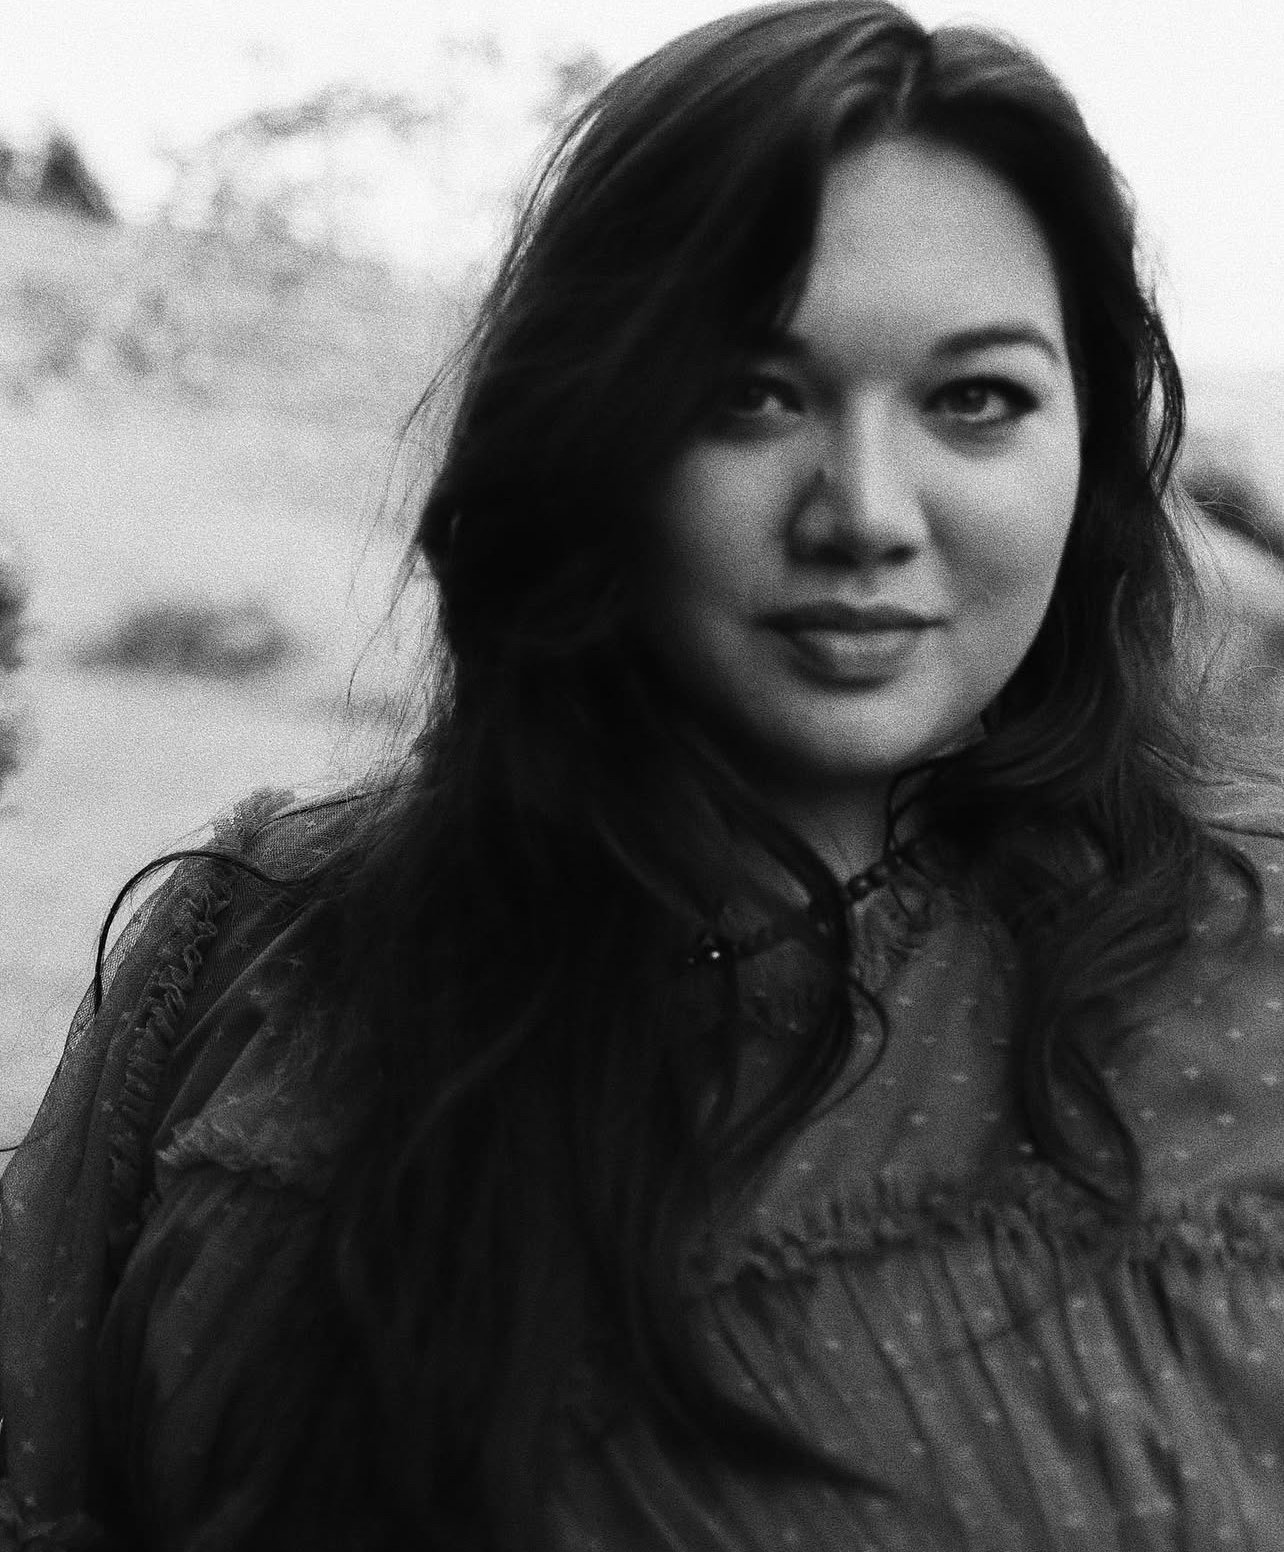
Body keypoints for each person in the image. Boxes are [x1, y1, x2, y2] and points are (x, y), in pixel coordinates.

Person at [3, 3, 1284, 1548]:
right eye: (753, 393)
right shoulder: (264, 967)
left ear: (1086, 453)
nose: (866, 513)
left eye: (975, 400)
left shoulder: (1244, 987)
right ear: (592, 423)